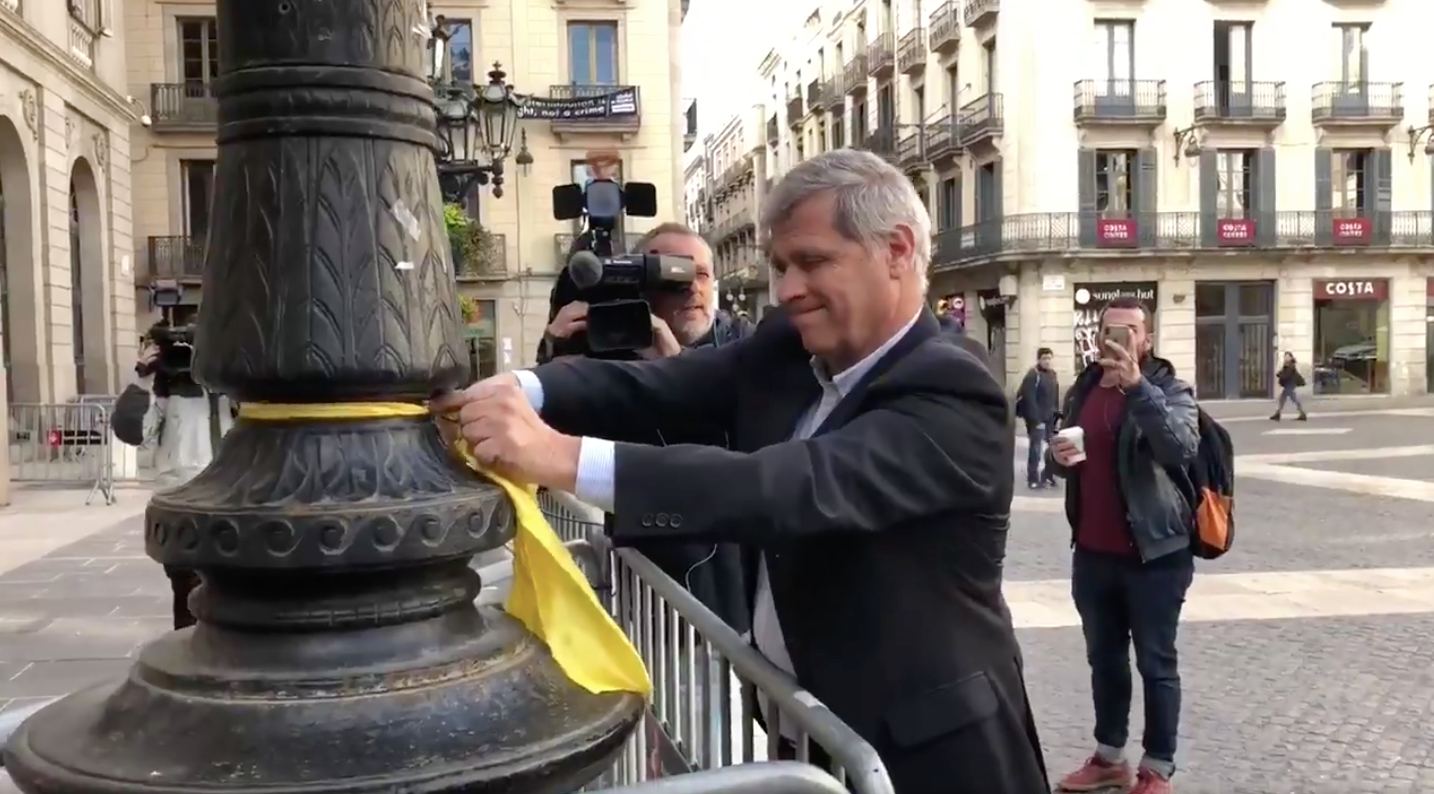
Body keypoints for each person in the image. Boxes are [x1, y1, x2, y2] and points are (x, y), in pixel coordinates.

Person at [436, 149, 1049, 794]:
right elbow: (659, 387)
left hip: (931, 757)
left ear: (897, 250)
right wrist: (516, 389)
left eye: (812, 262)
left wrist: (559, 456)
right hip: (807, 736)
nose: (786, 289)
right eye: (780, 267)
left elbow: (782, 486)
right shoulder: (788, 346)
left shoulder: (956, 388)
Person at [536, 222, 752, 633]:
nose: (691, 288)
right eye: (674, 274)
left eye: (700, 274)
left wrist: (676, 371)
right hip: (648, 601)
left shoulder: (746, 346)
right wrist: (555, 352)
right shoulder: (612, 351)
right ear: (642, 286)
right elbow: (551, 442)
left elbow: (740, 452)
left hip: (732, 600)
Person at [1045, 296, 1201, 794]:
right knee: (1105, 661)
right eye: (1109, 331)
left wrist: (1137, 387)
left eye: (1129, 331)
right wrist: (1057, 457)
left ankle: (1157, 769)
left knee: (1156, 663)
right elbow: (1062, 461)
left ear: (1147, 338)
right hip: (1092, 554)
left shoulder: (1170, 389)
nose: (1117, 340)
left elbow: (1179, 447)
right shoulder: (1083, 389)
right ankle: (1110, 756)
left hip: (1155, 555)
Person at [132, 322, 235, 629]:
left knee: (229, 592)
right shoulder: (163, 393)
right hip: (181, 503)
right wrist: (142, 381)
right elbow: (134, 431)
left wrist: (228, 366)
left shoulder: (228, 391)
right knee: (187, 593)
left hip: (229, 499)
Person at [1015, 348, 1060, 489]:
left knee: (1051, 448)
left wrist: (1056, 416)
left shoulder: (1053, 375)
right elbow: (1029, 399)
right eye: (1044, 358)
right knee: (1036, 448)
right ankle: (1033, 478)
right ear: (1039, 360)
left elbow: (1055, 398)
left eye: (1049, 358)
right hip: (1037, 419)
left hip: (1049, 418)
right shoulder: (1033, 375)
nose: (1047, 361)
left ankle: (1048, 475)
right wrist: (1036, 420)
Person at [1271, 352, 1307, 421]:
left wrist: (1279, 375)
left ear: (1290, 357)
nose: (1286, 358)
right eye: (1285, 356)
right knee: (1282, 398)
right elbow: (1283, 372)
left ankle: (1302, 413)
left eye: (1287, 356)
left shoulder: (1291, 365)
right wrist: (1279, 373)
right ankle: (1278, 414)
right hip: (1288, 384)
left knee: (1294, 399)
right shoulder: (1287, 364)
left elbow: (1287, 375)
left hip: (1291, 384)